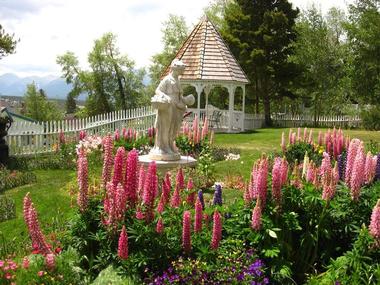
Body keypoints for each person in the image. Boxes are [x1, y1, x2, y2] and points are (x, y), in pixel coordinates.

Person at [149, 59, 194, 161]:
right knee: (166, 127)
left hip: (177, 107)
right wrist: (166, 96)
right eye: (180, 70)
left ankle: (170, 144)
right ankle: (164, 147)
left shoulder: (178, 80)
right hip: (167, 106)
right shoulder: (167, 79)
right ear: (175, 69)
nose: (181, 72)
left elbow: (180, 95)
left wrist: (185, 100)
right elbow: (158, 90)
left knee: (174, 127)